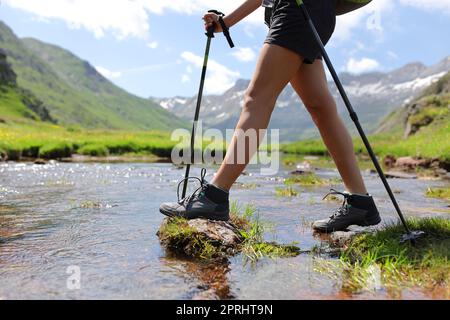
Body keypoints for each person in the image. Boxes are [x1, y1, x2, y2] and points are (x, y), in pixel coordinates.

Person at [160, 0, 381, 233]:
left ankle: (215, 195)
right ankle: (360, 202)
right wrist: (226, 23)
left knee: (257, 100)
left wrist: (227, 22)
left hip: (296, 12)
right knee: (321, 109)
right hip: (315, 14)